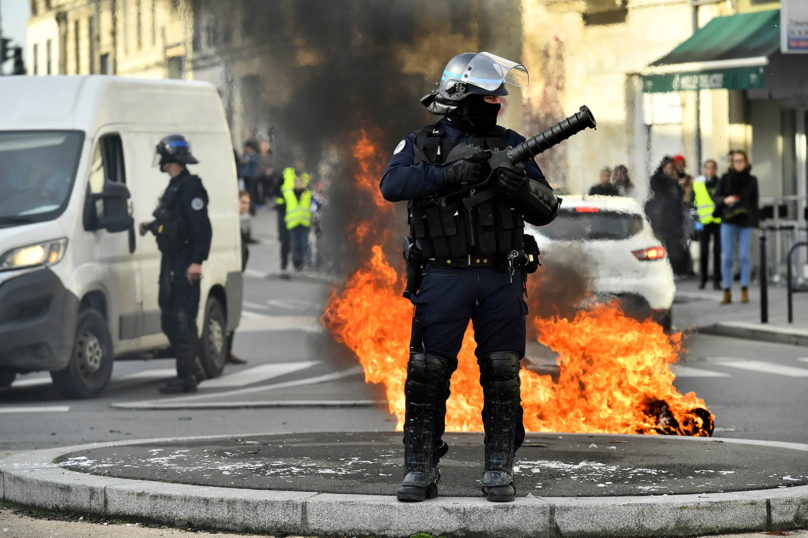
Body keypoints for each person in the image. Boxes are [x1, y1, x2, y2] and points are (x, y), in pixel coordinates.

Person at [380, 52, 559, 503]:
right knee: (426, 374)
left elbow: (548, 208)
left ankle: (499, 469)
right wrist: (449, 173)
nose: (495, 105)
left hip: (500, 277)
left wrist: (518, 186)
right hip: (442, 277)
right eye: (487, 98)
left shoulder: (512, 144)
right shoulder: (421, 144)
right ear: (461, 98)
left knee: (502, 374)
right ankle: (419, 468)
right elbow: (392, 185)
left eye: (498, 98)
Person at [139, 135, 212, 394]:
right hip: (170, 261)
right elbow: (172, 223)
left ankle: (186, 377)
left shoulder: (191, 187)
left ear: (172, 158)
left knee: (183, 319)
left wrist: (196, 262)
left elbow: (201, 228)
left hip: (185, 262)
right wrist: (151, 226)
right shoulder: (174, 187)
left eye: (163, 155)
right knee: (169, 318)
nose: (160, 160)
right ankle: (191, 368)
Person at [714, 150, 759, 305]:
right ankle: (727, 291)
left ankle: (744, 290)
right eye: (735, 161)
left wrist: (755, 224)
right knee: (727, 257)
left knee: (744, 256)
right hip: (728, 219)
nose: (738, 163)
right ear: (732, 162)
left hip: (746, 220)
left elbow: (755, 202)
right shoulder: (725, 178)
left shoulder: (752, 180)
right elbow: (716, 197)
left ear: (746, 162)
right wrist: (726, 200)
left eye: (741, 160)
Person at [645, 156, 688, 277]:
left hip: (674, 218)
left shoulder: (674, 180)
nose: (669, 170)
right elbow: (662, 194)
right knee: (659, 244)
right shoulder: (657, 180)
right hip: (661, 217)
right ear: (663, 168)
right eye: (668, 168)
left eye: (671, 168)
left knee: (674, 245)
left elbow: (679, 197)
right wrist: (675, 183)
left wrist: (678, 185)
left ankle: (674, 270)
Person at [226, 191, 251, 365]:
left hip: (237, 272)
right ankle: (226, 351)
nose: (245, 206)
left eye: (247, 203)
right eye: (242, 202)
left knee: (232, 313)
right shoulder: (230, 222)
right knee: (228, 312)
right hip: (229, 272)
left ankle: (228, 350)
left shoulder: (240, 223)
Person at [693, 160, 722, 290]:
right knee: (703, 251)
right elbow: (692, 204)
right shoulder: (697, 183)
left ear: (715, 169)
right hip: (703, 222)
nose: (710, 170)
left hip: (718, 222)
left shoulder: (720, 183)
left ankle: (717, 280)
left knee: (717, 252)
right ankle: (703, 278)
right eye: (708, 168)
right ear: (704, 169)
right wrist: (695, 222)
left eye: (712, 168)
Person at [283, 163, 312, 272]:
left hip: (304, 223)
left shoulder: (307, 193)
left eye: (301, 181)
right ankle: (297, 263)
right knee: (295, 244)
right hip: (293, 223)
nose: (299, 183)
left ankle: (308, 261)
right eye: (297, 181)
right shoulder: (289, 193)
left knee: (305, 243)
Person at [239, 141, 260, 215]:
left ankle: (252, 209)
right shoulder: (245, 154)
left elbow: (256, 163)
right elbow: (240, 162)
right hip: (245, 176)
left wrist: (249, 161)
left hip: (251, 176)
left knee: (251, 193)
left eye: (246, 147)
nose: (245, 148)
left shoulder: (253, 155)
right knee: (246, 192)